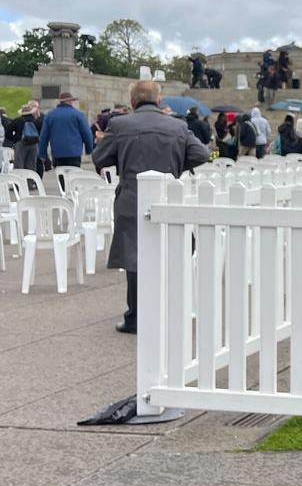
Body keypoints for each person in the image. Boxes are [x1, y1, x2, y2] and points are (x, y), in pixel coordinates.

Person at [92, 80, 208, 333]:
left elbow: (100, 157)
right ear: (159, 101)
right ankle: (170, 308)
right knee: (174, 251)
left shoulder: (120, 124)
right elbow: (201, 154)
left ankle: (135, 317)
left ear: (133, 102)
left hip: (132, 196)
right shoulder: (178, 126)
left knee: (135, 258)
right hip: (167, 194)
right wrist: (176, 167)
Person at [38, 92, 94, 168]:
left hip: (57, 153)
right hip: (74, 153)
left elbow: (43, 136)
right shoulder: (78, 114)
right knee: (73, 176)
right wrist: (89, 149)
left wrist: (43, 154)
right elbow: (87, 133)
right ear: (70, 101)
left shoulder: (50, 115)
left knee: (61, 176)